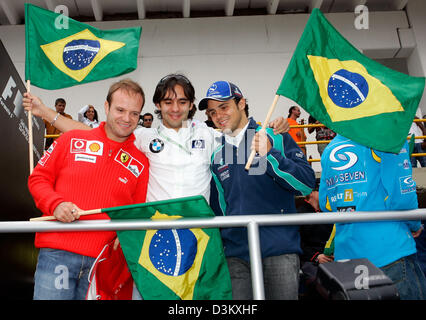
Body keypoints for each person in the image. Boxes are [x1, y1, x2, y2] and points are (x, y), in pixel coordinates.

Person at [22, 79, 149, 300]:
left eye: (134, 113)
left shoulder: (140, 162)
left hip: (104, 264)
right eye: (120, 110)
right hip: (57, 254)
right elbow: (38, 179)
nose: (127, 119)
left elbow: (138, 212)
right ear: (107, 107)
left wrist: (127, 233)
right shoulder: (71, 138)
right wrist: (56, 204)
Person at [199, 80, 316, 300]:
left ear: (241, 103)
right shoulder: (217, 155)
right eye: (212, 112)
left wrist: (270, 154)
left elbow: (307, 184)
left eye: (224, 107)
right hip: (236, 256)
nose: (218, 116)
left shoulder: (274, 135)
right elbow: (221, 209)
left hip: (278, 250)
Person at [319, 134, 426, 300]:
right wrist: (415, 224)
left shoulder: (329, 148)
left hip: (347, 258)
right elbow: (402, 195)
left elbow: (326, 204)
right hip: (390, 250)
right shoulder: (387, 135)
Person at [298, 188, 334, 300]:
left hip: (332, 257)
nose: (325, 192)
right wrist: (317, 257)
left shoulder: (330, 211)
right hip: (310, 259)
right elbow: (298, 243)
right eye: (319, 190)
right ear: (311, 193)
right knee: (319, 282)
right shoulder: (299, 213)